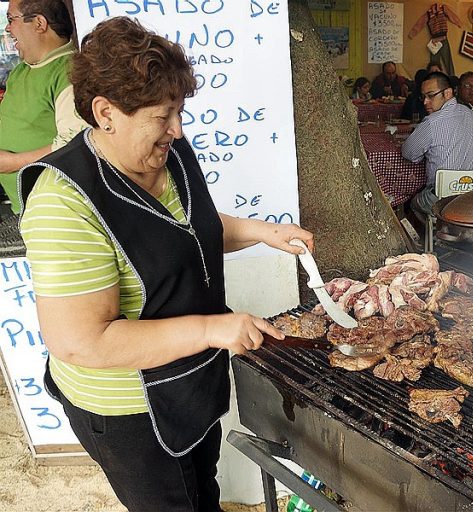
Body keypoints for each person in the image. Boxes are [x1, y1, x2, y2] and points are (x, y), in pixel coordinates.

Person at [18, 17, 314, 511]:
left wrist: (264, 231)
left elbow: (187, 228)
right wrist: (213, 329)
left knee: (203, 491)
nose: (177, 129)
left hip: (191, 384)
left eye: (179, 112)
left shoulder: (165, 153)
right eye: (163, 116)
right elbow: (82, 341)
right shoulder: (63, 204)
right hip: (130, 412)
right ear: (105, 113)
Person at [0, 0, 86, 217]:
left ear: (39, 23)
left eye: (11, 19)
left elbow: (76, 143)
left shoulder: (69, 71)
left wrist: (12, 163)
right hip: (26, 206)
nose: (7, 28)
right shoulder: (20, 72)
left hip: (57, 210)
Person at [401, 71, 473, 216]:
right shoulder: (472, 115)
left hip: (441, 200)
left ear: (448, 93)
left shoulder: (432, 122)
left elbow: (408, 153)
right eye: (424, 96)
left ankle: (430, 237)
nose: (425, 102)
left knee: (410, 204)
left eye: (431, 95)